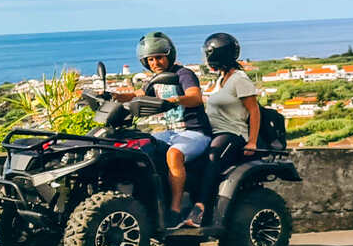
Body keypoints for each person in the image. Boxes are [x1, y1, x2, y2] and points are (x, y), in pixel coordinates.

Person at [111, 31, 212, 229]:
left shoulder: (182, 74)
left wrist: (175, 100)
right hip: (171, 133)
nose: (155, 62)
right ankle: (147, 206)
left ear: (169, 56)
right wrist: (115, 96)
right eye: (150, 59)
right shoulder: (155, 80)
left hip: (195, 132)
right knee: (139, 147)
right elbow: (138, 94)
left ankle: (174, 210)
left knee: (174, 154)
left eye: (159, 57)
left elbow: (195, 97)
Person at [184, 32, 260, 227]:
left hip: (233, 134)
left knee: (212, 156)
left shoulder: (239, 79)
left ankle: (199, 210)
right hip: (213, 133)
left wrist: (252, 141)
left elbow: (254, 110)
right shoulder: (220, 80)